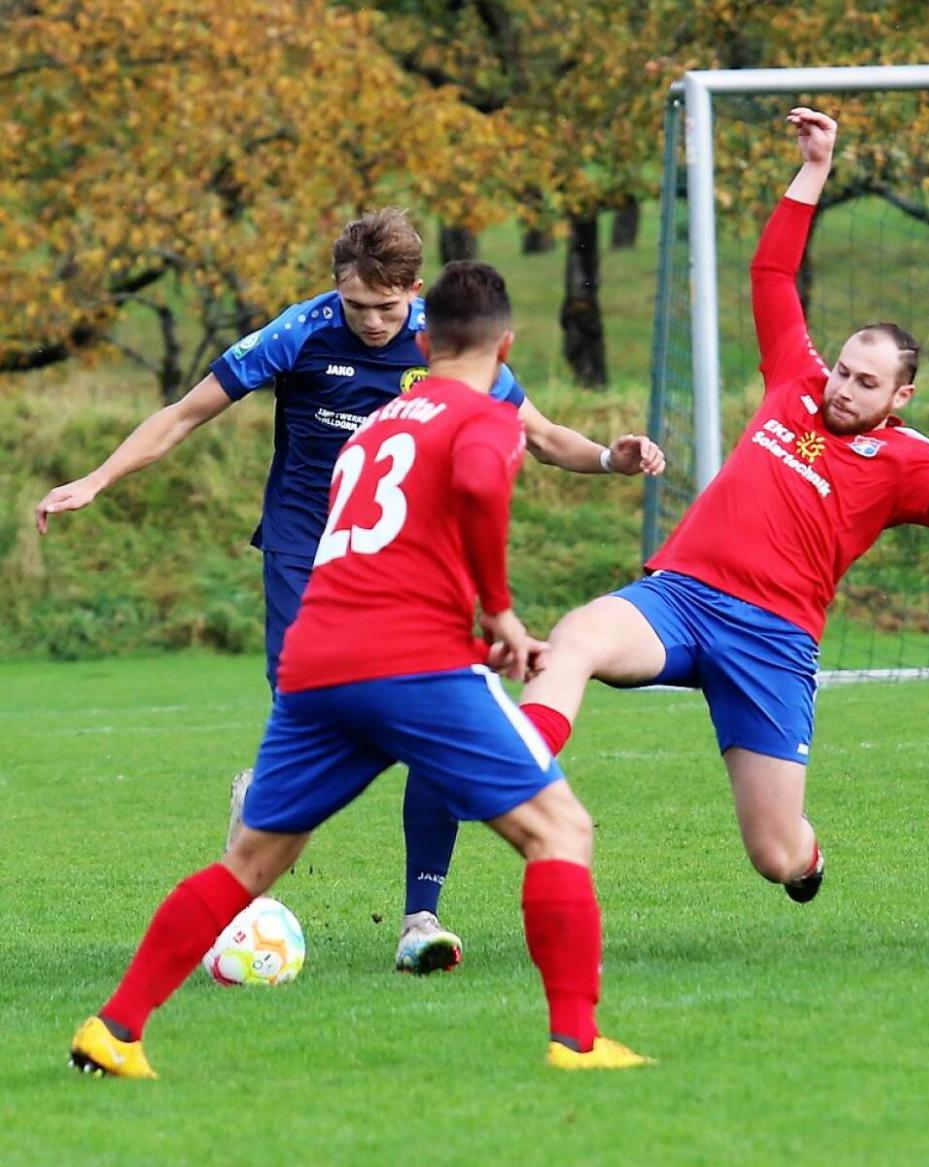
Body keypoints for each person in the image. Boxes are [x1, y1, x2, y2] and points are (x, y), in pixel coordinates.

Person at [35, 208, 665, 975]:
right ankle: (259, 827)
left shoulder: (449, 344)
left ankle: (419, 916)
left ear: (416, 294)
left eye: (386, 307)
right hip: (309, 559)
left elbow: (536, 432)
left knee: (432, 737)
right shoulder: (299, 331)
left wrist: (609, 456)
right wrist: (96, 479)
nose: (369, 321)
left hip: (419, 570)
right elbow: (184, 415)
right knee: (322, 720)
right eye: (355, 304)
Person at [517, 108, 929, 901]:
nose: (841, 387)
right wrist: (813, 169)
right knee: (575, 635)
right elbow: (771, 276)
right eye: (842, 369)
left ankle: (807, 859)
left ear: (901, 395)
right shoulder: (794, 379)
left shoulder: (906, 462)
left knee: (776, 856)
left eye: (864, 381)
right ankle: (519, 776)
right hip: (680, 597)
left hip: (772, 641)